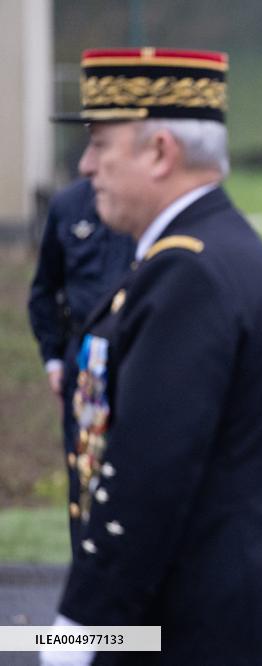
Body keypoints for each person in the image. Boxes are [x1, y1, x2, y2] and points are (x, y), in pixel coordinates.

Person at [44, 47, 262, 665]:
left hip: (193, 620)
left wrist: (80, 628)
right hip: (222, 607)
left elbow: (147, 475)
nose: (87, 166)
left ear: (159, 151)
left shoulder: (188, 272)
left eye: (100, 146)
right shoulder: (212, 249)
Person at [27, 178, 133, 553]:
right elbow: (43, 291)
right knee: (88, 471)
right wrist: (54, 359)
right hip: (86, 360)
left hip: (139, 353)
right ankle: (88, 573)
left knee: (138, 468)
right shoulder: (68, 205)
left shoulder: (143, 201)